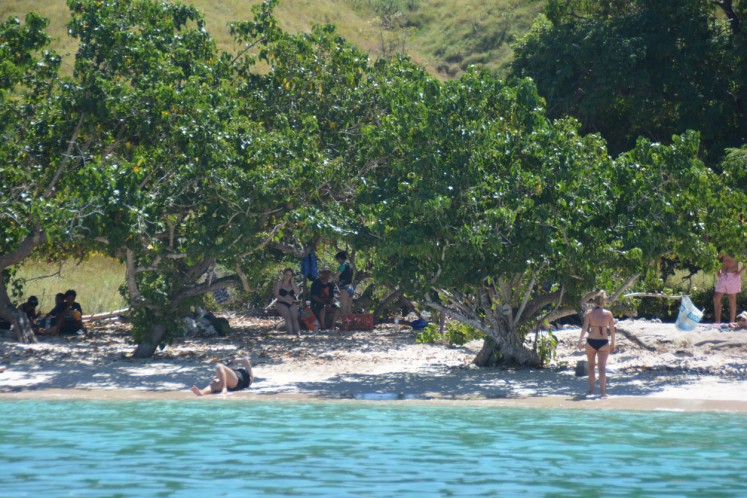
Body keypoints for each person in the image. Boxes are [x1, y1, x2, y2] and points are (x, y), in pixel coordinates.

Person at [577, 291, 616, 398]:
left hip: (591, 341)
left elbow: (585, 328)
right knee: (602, 368)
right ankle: (603, 393)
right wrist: (613, 343)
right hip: (603, 342)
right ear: (604, 302)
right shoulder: (608, 314)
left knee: (591, 366)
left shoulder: (589, 313)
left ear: (594, 302)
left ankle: (591, 390)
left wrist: (580, 341)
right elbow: (612, 330)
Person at [713, 253, 744, 325]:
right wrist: (718, 269)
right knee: (716, 298)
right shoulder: (724, 247)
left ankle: (732, 321)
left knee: (732, 299)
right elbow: (717, 259)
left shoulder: (737, 248)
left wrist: (740, 270)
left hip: (733, 275)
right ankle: (717, 322)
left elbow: (745, 260)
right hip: (723, 275)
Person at [274, 268, 301, 336]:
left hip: (291, 303)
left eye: (290, 275)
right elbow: (276, 295)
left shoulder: (293, 284)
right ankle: (290, 334)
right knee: (288, 318)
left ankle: (298, 334)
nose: (287, 277)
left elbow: (297, 293)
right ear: (283, 274)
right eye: (286, 275)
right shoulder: (279, 284)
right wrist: (285, 300)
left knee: (295, 319)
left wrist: (292, 282)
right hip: (281, 303)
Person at [334, 251, 354, 316]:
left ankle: (344, 325)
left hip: (345, 288)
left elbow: (336, 276)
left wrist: (331, 276)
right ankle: (351, 325)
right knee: (349, 309)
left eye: (337, 260)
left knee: (343, 308)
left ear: (339, 258)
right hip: (351, 287)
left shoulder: (343, 265)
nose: (338, 262)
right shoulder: (350, 265)